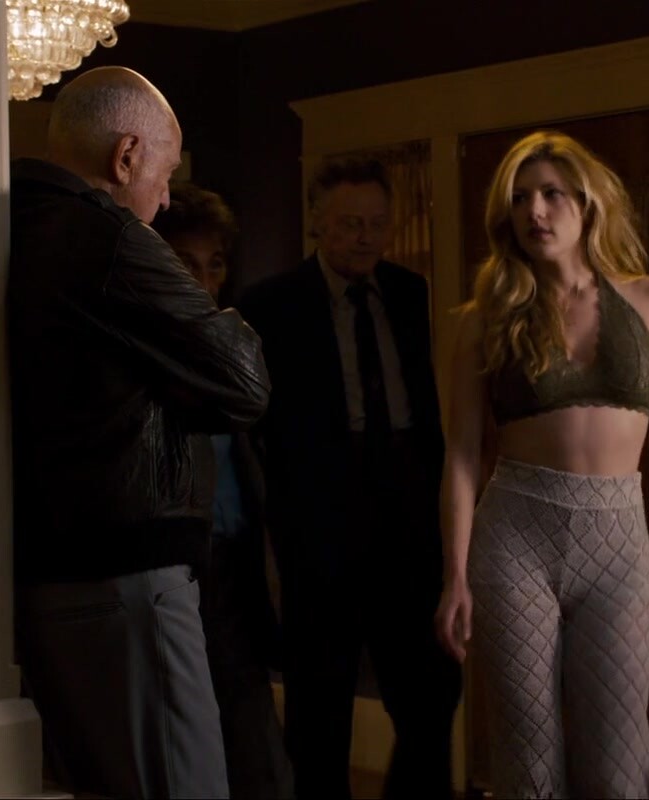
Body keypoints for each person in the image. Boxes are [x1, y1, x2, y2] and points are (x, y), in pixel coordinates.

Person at [6, 66, 267, 799]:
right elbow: (245, 378)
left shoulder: (18, 223)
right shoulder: (112, 237)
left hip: (54, 571)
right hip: (131, 580)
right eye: (165, 171)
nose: (167, 196)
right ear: (126, 156)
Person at [432, 130, 649, 800]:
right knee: (529, 766)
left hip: (619, 542)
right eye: (520, 199)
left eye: (550, 194)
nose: (535, 211)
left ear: (588, 201)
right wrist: (455, 575)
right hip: (515, 538)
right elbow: (461, 454)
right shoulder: (483, 320)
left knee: (617, 768)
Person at [238, 157, 460, 799]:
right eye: (350, 224)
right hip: (321, 528)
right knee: (319, 712)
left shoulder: (409, 293)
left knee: (430, 695)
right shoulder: (271, 304)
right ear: (318, 222)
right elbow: (259, 426)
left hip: (409, 520)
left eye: (377, 223)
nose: (366, 237)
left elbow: (425, 412)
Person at [155, 180, 296, 800]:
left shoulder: (229, 342)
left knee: (253, 734)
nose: (204, 281)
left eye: (214, 266)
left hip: (236, 559)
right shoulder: (147, 348)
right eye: (188, 264)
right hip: (178, 564)